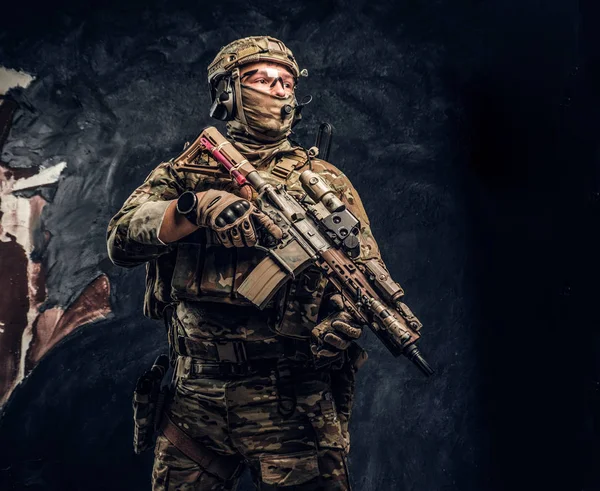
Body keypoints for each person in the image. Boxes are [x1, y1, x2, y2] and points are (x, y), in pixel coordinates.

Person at [107, 36, 386, 490]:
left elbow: (361, 272)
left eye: (287, 82)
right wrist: (193, 208)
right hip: (195, 398)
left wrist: (344, 320)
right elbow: (121, 240)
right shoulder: (184, 173)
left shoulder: (322, 182)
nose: (279, 90)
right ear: (228, 91)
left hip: (288, 402)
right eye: (263, 79)